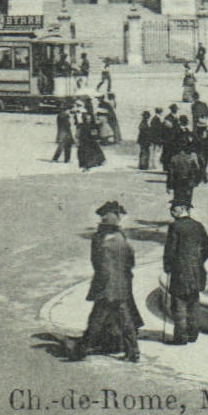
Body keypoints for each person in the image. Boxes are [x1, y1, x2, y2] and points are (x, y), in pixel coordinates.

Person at [72, 201, 141, 362]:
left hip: (106, 287)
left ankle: (81, 350)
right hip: (121, 286)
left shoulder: (101, 241)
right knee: (125, 320)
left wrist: (99, 286)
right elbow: (130, 261)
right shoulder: (122, 239)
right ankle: (133, 351)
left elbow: (99, 266)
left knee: (96, 320)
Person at [162, 202, 208, 344]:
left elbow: (170, 250)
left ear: (183, 209)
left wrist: (168, 266)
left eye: (174, 209)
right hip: (196, 271)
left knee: (179, 304)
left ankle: (180, 337)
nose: (171, 211)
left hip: (180, 272)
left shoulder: (175, 226)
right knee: (193, 303)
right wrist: (199, 260)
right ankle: (193, 335)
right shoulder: (198, 225)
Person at [168, 143, 201, 208]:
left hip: (177, 182)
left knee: (177, 200)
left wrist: (169, 186)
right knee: (187, 200)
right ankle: (187, 210)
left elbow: (171, 174)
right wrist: (195, 182)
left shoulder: (173, 159)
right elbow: (196, 171)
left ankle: (178, 210)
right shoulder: (190, 159)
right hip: (188, 183)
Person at [76, 105, 106, 171]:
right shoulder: (82, 125)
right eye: (87, 119)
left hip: (91, 142)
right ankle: (85, 165)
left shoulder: (93, 126)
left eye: (89, 119)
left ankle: (90, 165)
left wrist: (96, 138)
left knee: (91, 153)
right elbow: (78, 134)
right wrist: (78, 140)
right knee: (84, 154)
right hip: (84, 142)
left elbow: (95, 133)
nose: (88, 120)